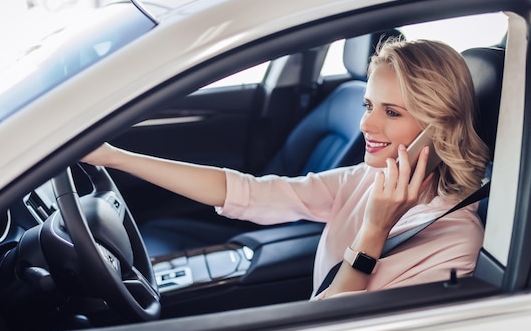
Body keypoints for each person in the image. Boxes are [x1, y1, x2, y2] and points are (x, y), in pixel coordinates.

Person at [82, 38, 491, 299]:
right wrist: (117, 158)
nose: (366, 124)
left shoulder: (456, 241)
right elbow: (252, 192)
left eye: (392, 112)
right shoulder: (368, 179)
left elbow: (332, 328)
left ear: (438, 126)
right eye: (368, 106)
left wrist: (375, 230)